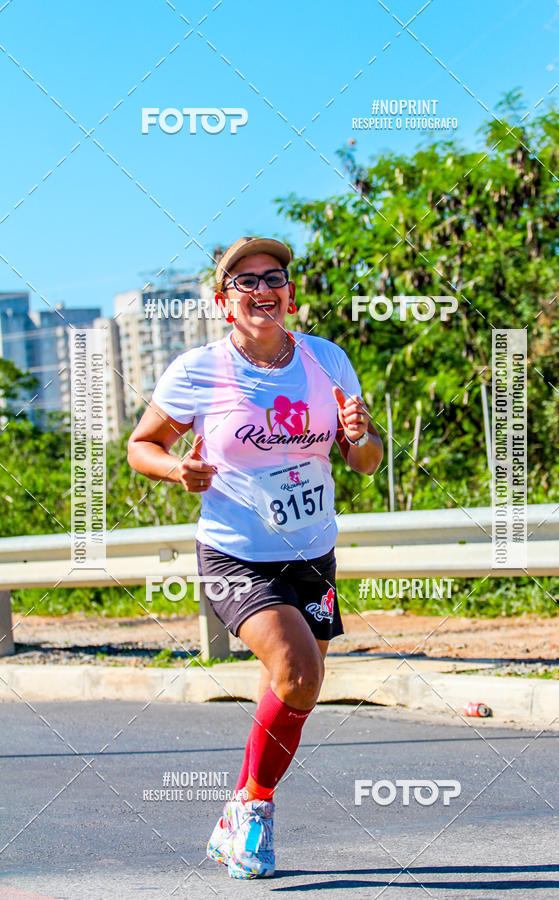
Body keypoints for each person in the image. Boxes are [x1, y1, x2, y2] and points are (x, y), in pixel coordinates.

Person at [127, 236, 383, 879]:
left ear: (290, 293)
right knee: (297, 672)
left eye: (274, 277)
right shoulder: (197, 370)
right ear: (224, 301)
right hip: (237, 552)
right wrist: (177, 469)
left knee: (296, 688)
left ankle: (237, 808)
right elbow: (142, 445)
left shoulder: (328, 361)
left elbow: (365, 461)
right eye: (245, 281)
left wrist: (361, 436)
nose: (262, 288)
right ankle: (257, 811)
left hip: (313, 552)